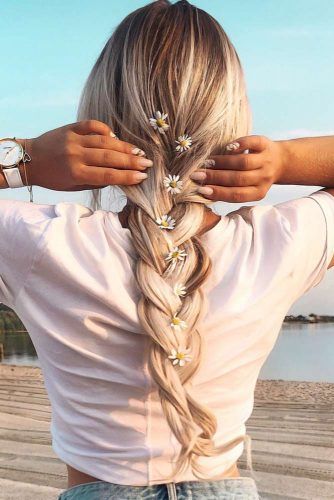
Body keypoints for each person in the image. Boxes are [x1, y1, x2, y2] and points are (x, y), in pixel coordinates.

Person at [0, 1, 334, 499]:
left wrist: (22, 160)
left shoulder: (42, 243)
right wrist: (284, 160)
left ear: (100, 115)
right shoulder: (279, 243)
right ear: (233, 114)